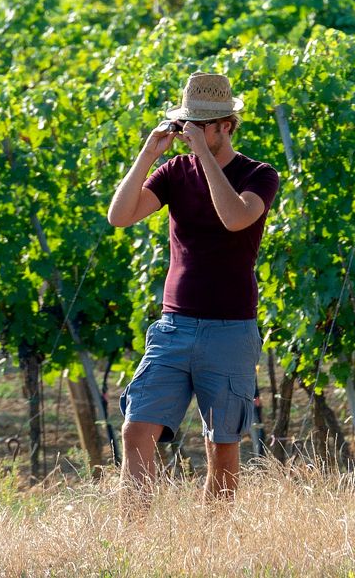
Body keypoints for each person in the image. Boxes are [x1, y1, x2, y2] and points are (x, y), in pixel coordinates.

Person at [104, 69, 281, 501]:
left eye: (202, 126)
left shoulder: (258, 174)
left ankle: (214, 543)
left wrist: (203, 155)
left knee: (221, 446)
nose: (192, 134)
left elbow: (236, 218)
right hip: (174, 326)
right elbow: (120, 216)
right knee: (135, 428)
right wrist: (148, 154)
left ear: (226, 125)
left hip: (230, 328)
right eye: (189, 125)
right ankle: (136, 542)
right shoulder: (174, 172)